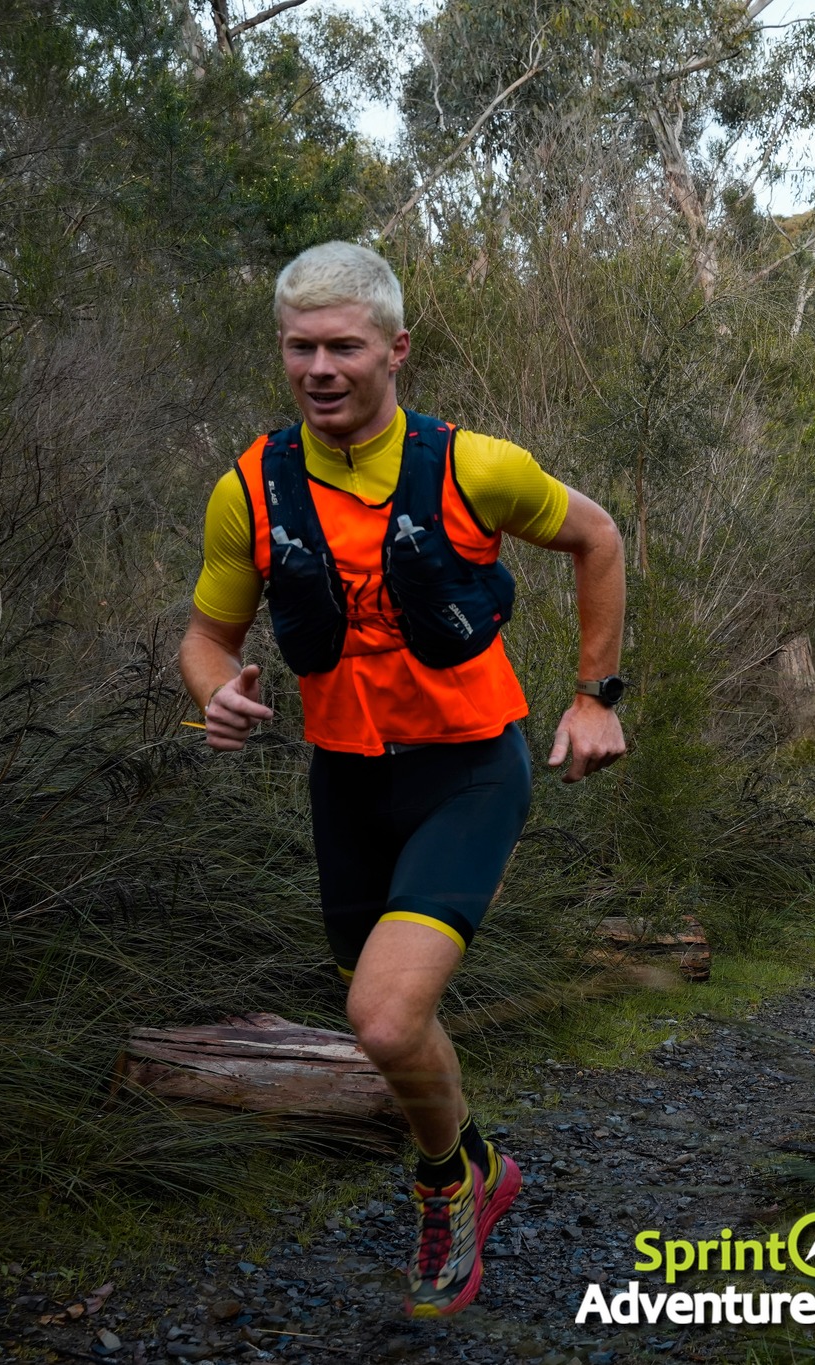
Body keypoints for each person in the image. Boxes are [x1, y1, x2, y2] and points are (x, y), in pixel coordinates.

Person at [177, 241, 628, 1319]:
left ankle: (441, 1192)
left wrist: (595, 695)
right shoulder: (250, 488)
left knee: (379, 1019)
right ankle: (481, 1163)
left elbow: (597, 536)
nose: (320, 368)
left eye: (343, 346)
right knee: (393, 1015)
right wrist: (213, 693)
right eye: (300, 347)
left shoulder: (475, 467)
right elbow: (206, 635)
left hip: (470, 769)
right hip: (345, 784)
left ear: (395, 351)